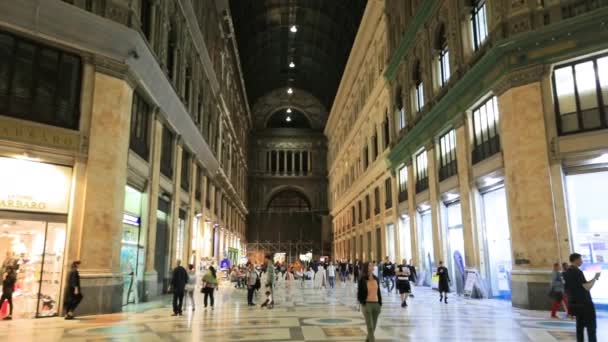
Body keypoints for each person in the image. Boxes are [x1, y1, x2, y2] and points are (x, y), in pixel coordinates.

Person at [564, 253, 600, 342]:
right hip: (585, 303)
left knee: (579, 326)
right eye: (580, 259)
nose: (582, 261)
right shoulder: (577, 272)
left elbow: (569, 288)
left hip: (574, 303)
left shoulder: (566, 272)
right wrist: (595, 278)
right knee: (591, 327)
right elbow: (586, 287)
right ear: (575, 260)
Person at [357, 262, 382, 342]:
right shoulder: (362, 279)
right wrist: (362, 302)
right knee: (370, 326)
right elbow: (359, 293)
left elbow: (378, 292)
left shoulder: (376, 279)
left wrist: (380, 303)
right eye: (370, 265)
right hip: (367, 304)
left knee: (373, 326)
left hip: (376, 304)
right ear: (367, 268)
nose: (373, 266)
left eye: (372, 265)